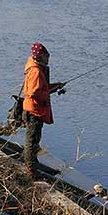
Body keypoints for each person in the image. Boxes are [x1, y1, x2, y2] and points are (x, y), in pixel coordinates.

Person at [23, 42, 66, 179]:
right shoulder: (36, 71)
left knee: (35, 139)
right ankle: (30, 170)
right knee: (32, 140)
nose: (48, 59)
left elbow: (42, 88)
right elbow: (34, 92)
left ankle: (33, 163)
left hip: (34, 109)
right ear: (41, 56)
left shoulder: (35, 67)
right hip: (34, 111)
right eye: (47, 57)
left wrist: (56, 86)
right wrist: (48, 92)